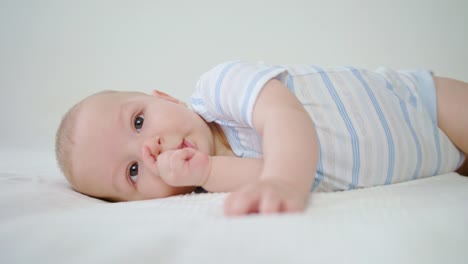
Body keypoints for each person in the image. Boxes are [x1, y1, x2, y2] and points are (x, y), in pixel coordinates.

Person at [55, 61, 468, 216]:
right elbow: (258, 174)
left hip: (422, 103)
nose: (148, 151)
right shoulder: (209, 180)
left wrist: (285, 182)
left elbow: (284, 116)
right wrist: (210, 169)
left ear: (164, 97)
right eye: (132, 171)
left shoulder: (219, 88)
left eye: (140, 122)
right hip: (430, 159)